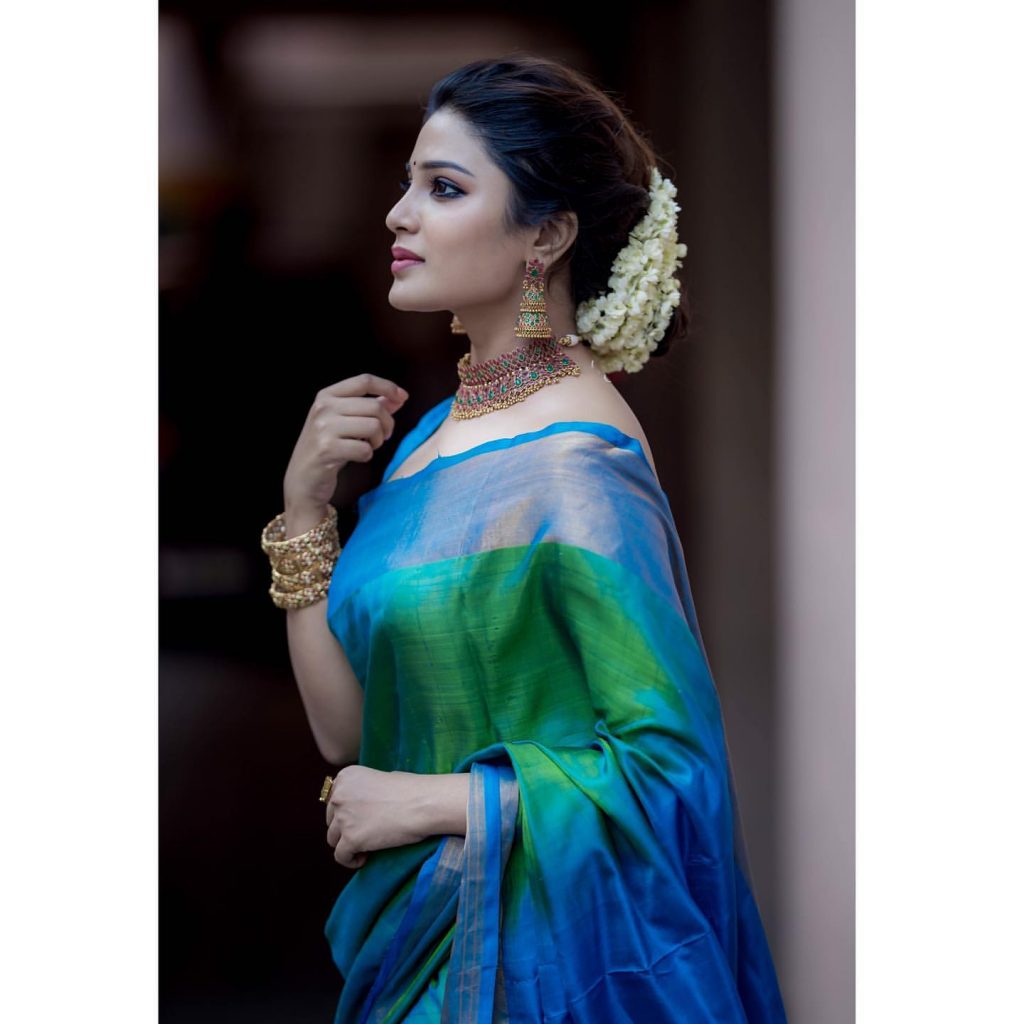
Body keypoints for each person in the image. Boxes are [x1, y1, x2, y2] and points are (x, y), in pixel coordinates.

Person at [260, 55, 788, 1023]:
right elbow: (350, 734)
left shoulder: (576, 465)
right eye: (409, 183)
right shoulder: (432, 438)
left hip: (543, 972)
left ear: (545, 234)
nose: (398, 215)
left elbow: (671, 771)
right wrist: (303, 511)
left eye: (444, 188)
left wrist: (438, 803)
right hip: (420, 944)